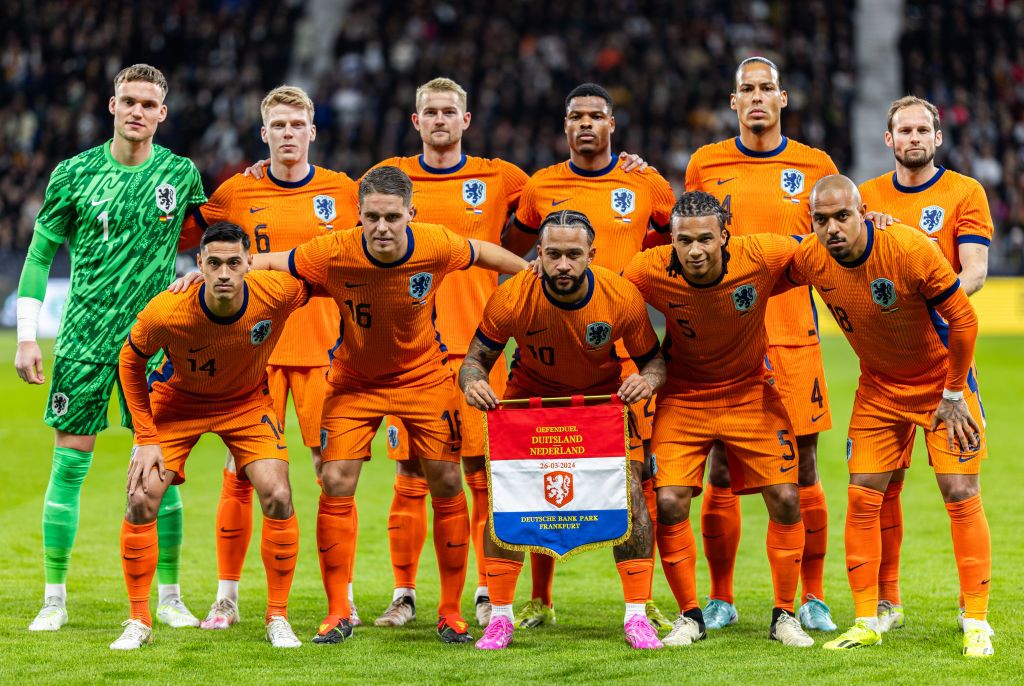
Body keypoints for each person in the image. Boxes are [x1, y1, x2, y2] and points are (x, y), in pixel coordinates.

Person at [248, 165, 528, 645]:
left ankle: (449, 611)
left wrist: (529, 272)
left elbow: (481, 251)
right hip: (354, 382)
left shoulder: (436, 243)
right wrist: (218, 269)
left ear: (410, 215)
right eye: (372, 217)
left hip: (423, 377)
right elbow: (275, 261)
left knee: (445, 479)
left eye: (392, 217)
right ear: (358, 216)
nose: (381, 227)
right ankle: (339, 611)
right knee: (335, 481)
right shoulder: (334, 250)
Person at [13, 64, 206, 632]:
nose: (138, 111)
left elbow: (215, 238)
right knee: (69, 466)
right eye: (129, 101)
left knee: (161, 471)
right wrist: (27, 335)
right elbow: (39, 256)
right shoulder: (73, 173)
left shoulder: (180, 173)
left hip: (157, 343)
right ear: (112, 105)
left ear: (162, 113)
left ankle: (169, 595)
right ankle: (54, 598)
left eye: (149, 103)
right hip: (84, 340)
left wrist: (195, 272)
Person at [786, 175, 992, 658]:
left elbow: (964, 318)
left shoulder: (907, 247)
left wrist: (955, 392)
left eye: (842, 216)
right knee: (862, 497)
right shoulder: (811, 257)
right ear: (811, 221)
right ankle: (867, 620)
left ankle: (977, 621)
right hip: (879, 390)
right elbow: (760, 265)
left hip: (944, 386)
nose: (833, 228)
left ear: (863, 211)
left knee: (960, 491)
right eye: (822, 219)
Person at [180, 85, 361, 630]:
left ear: (312, 131)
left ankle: (342, 597)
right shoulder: (235, 191)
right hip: (250, 357)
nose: (287, 134)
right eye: (277, 126)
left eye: (296, 124)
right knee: (239, 473)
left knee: (332, 475)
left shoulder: (343, 193)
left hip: (324, 353)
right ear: (264, 134)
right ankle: (227, 597)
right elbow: (193, 238)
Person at [501, 82, 676, 630]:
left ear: (611, 125)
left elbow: (680, 244)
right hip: (552, 349)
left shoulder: (644, 181)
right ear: (565, 125)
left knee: (642, 479)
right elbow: (512, 247)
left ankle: (643, 601)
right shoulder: (541, 185)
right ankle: (540, 599)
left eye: (595, 116)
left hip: (626, 348)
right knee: (537, 475)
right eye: (575, 116)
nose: (585, 125)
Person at [460, 210, 666, 650]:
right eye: (553, 254)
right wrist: (474, 382)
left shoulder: (619, 296)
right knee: (507, 507)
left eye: (574, 255)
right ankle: (499, 618)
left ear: (592, 254)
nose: (563, 265)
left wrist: (646, 381)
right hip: (529, 409)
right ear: (539, 253)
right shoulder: (513, 296)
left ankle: (636, 615)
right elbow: (475, 360)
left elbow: (654, 361)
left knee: (633, 499)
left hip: (600, 409)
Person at [683, 56, 838, 632]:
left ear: (783, 98)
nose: (756, 98)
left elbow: (833, 244)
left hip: (794, 336)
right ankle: (721, 598)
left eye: (765, 89)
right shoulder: (707, 164)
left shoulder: (814, 164)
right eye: (745, 89)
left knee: (803, 467)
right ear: (733, 102)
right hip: (724, 344)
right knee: (721, 467)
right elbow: (689, 238)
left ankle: (813, 597)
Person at [622, 190, 814, 649]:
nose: (695, 251)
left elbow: (823, 247)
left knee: (788, 497)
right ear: (670, 240)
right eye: (684, 241)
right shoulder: (647, 270)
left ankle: (785, 615)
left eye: (706, 239)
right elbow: (606, 295)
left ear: (725, 235)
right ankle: (690, 616)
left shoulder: (761, 254)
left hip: (751, 393)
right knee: (667, 502)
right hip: (683, 398)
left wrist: (875, 223)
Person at [113, 222, 311, 650]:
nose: (224, 273)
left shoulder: (276, 292)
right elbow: (129, 361)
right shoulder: (168, 309)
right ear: (199, 264)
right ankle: (138, 620)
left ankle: (277, 617)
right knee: (141, 497)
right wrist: (145, 436)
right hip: (177, 402)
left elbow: (326, 277)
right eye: (214, 263)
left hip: (245, 402)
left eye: (234, 263)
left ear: (248, 265)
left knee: (278, 493)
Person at [858, 96, 994, 634]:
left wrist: (928, 302)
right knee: (880, 486)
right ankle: (887, 604)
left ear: (937, 138)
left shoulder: (965, 192)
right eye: (903, 130)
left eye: (922, 130)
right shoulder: (865, 198)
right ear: (888, 139)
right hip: (885, 367)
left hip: (944, 363)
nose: (913, 138)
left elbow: (976, 271)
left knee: (959, 489)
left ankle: (973, 611)